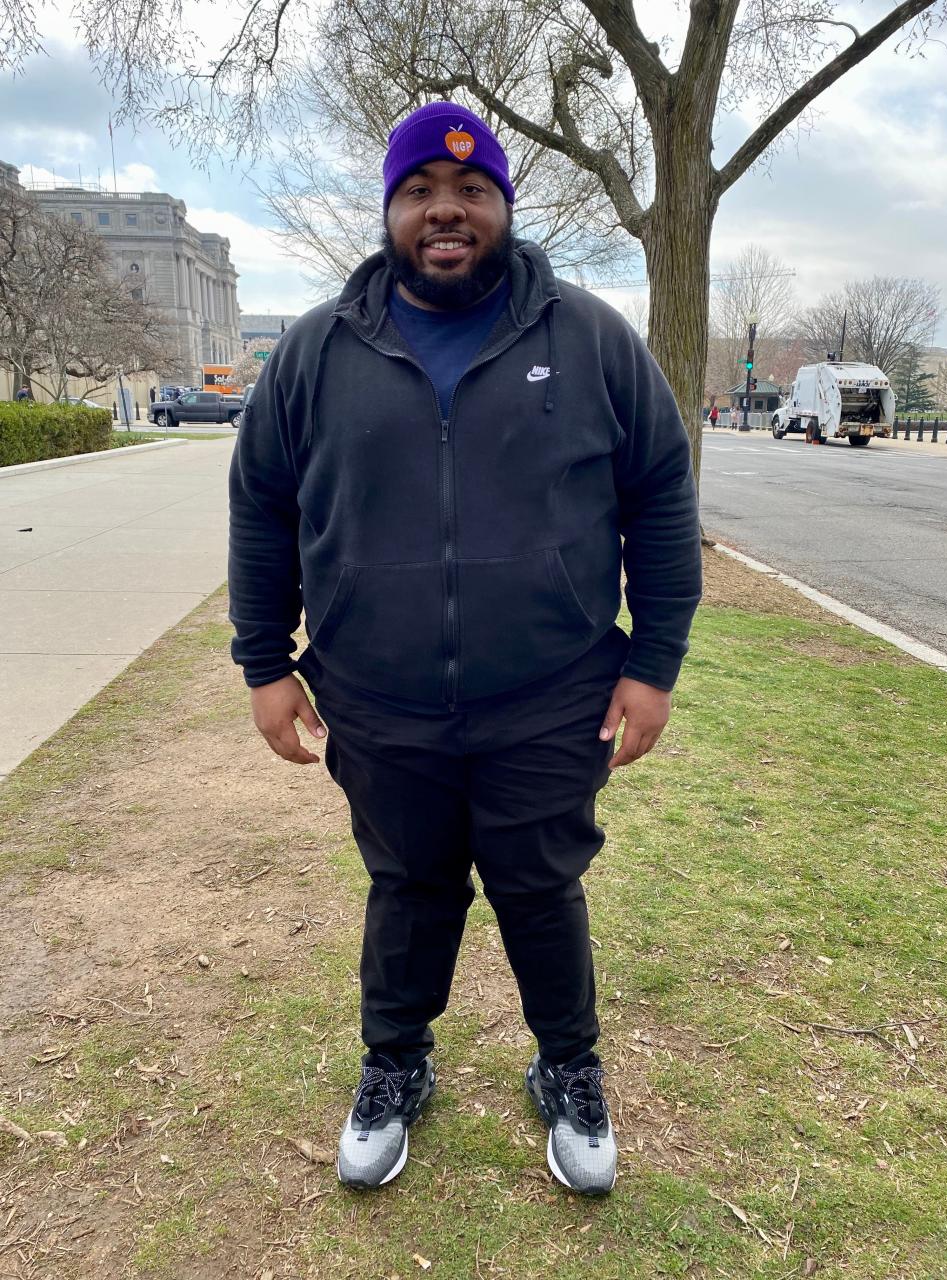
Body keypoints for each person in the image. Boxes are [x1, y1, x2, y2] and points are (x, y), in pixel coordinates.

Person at [228, 101, 702, 1197]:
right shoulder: (314, 350)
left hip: (550, 689)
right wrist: (265, 660)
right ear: (391, 211)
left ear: (502, 207)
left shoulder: (588, 339)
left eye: (471, 192)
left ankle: (569, 1066)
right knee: (409, 884)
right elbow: (261, 506)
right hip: (379, 693)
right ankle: (396, 1065)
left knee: (541, 887)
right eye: (421, 196)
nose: (446, 213)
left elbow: (661, 498)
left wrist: (654, 661)